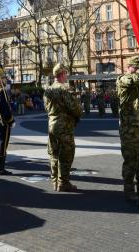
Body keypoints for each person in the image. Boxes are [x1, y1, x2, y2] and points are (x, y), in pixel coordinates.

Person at [44, 63, 82, 192]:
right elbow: (75, 108)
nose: (66, 76)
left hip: (52, 125)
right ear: (62, 74)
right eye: (65, 73)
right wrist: (78, 113)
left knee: (54, 153)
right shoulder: (64, 89)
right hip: (64, 126)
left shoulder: (48, 90)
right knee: (66, 154)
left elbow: (46, 108)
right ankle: (63, 182)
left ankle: (55, 181)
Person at [116, 56, 139, 201]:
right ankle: (129, 191)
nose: (136, 70)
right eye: (135, 67)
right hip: (129, 130)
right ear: (128, 67)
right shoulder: (123, 80)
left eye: (138, 67)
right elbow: (138, 78)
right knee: (131, 161)